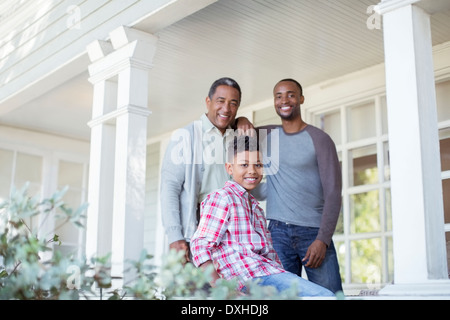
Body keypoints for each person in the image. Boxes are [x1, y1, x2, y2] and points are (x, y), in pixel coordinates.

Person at [190, 135, 334, 297]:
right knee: (324, 296)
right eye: (244, 165)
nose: (252, 170)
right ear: (229, 168)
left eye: (258, 165)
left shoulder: (256, 208)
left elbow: (270, 256)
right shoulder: (222, 198)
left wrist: (283, 274)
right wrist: (222, 288)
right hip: (246, 277)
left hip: (267, 273)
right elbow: (200, 245)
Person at [247, 78, 343, 294]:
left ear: (300, 98)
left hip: (313, 233)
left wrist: (323, 239)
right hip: (277, 233)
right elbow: (238, 130)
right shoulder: (267, 135)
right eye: (278, 96)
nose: (284, 100)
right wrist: (243, 118)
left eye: (290, 94)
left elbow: (334, 193)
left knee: (330, 297)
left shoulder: (319, 139)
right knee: (280, 297)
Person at [160, 77, 250, 263]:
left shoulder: (238, 139)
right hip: (194, 233)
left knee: (227, 291)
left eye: (233, 103)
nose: (226, 109)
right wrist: (175, 236)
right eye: (220, 101)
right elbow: (170, 189)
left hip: (231, 235)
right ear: (208, 101)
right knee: (191, 291)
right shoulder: (186, 137)